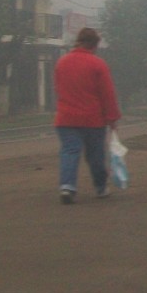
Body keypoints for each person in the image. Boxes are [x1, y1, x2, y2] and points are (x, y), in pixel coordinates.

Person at [54, 27, 121, 204]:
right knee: (95, 156)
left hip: (66, 118)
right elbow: (107, 93)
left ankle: (67, 187)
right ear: (94, 45)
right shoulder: (98, 64)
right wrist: (112, 117)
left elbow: (59, 89)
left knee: (70, 151)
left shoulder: (62, 62)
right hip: (92, 120)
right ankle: (100, 188)